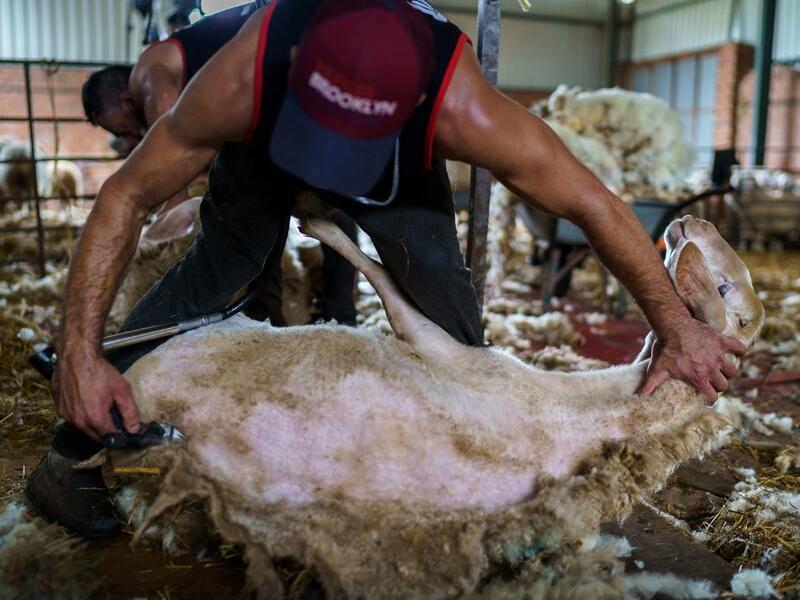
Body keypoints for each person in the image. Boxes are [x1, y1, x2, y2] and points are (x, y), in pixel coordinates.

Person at [28, 0, 747, 539]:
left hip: (396, 162)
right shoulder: (241, 76)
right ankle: (75, 452)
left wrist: (674, 325)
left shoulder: (462, 104)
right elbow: (125, 194)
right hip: (264, 132)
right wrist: (81, 353)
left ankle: (466, 479)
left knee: (451, 322)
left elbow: (592, 204)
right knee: (223, 268)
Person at [81, 0, 357, 327]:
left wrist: (173, 197)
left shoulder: (149, 70)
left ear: (124, 100)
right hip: (305, 91)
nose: (129, 139)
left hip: (288, 92)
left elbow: (168, 127)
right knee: (301, 212)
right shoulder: (198, 74)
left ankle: (277, 325)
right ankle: (324, 318)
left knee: (253, 226)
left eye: (123, 129)